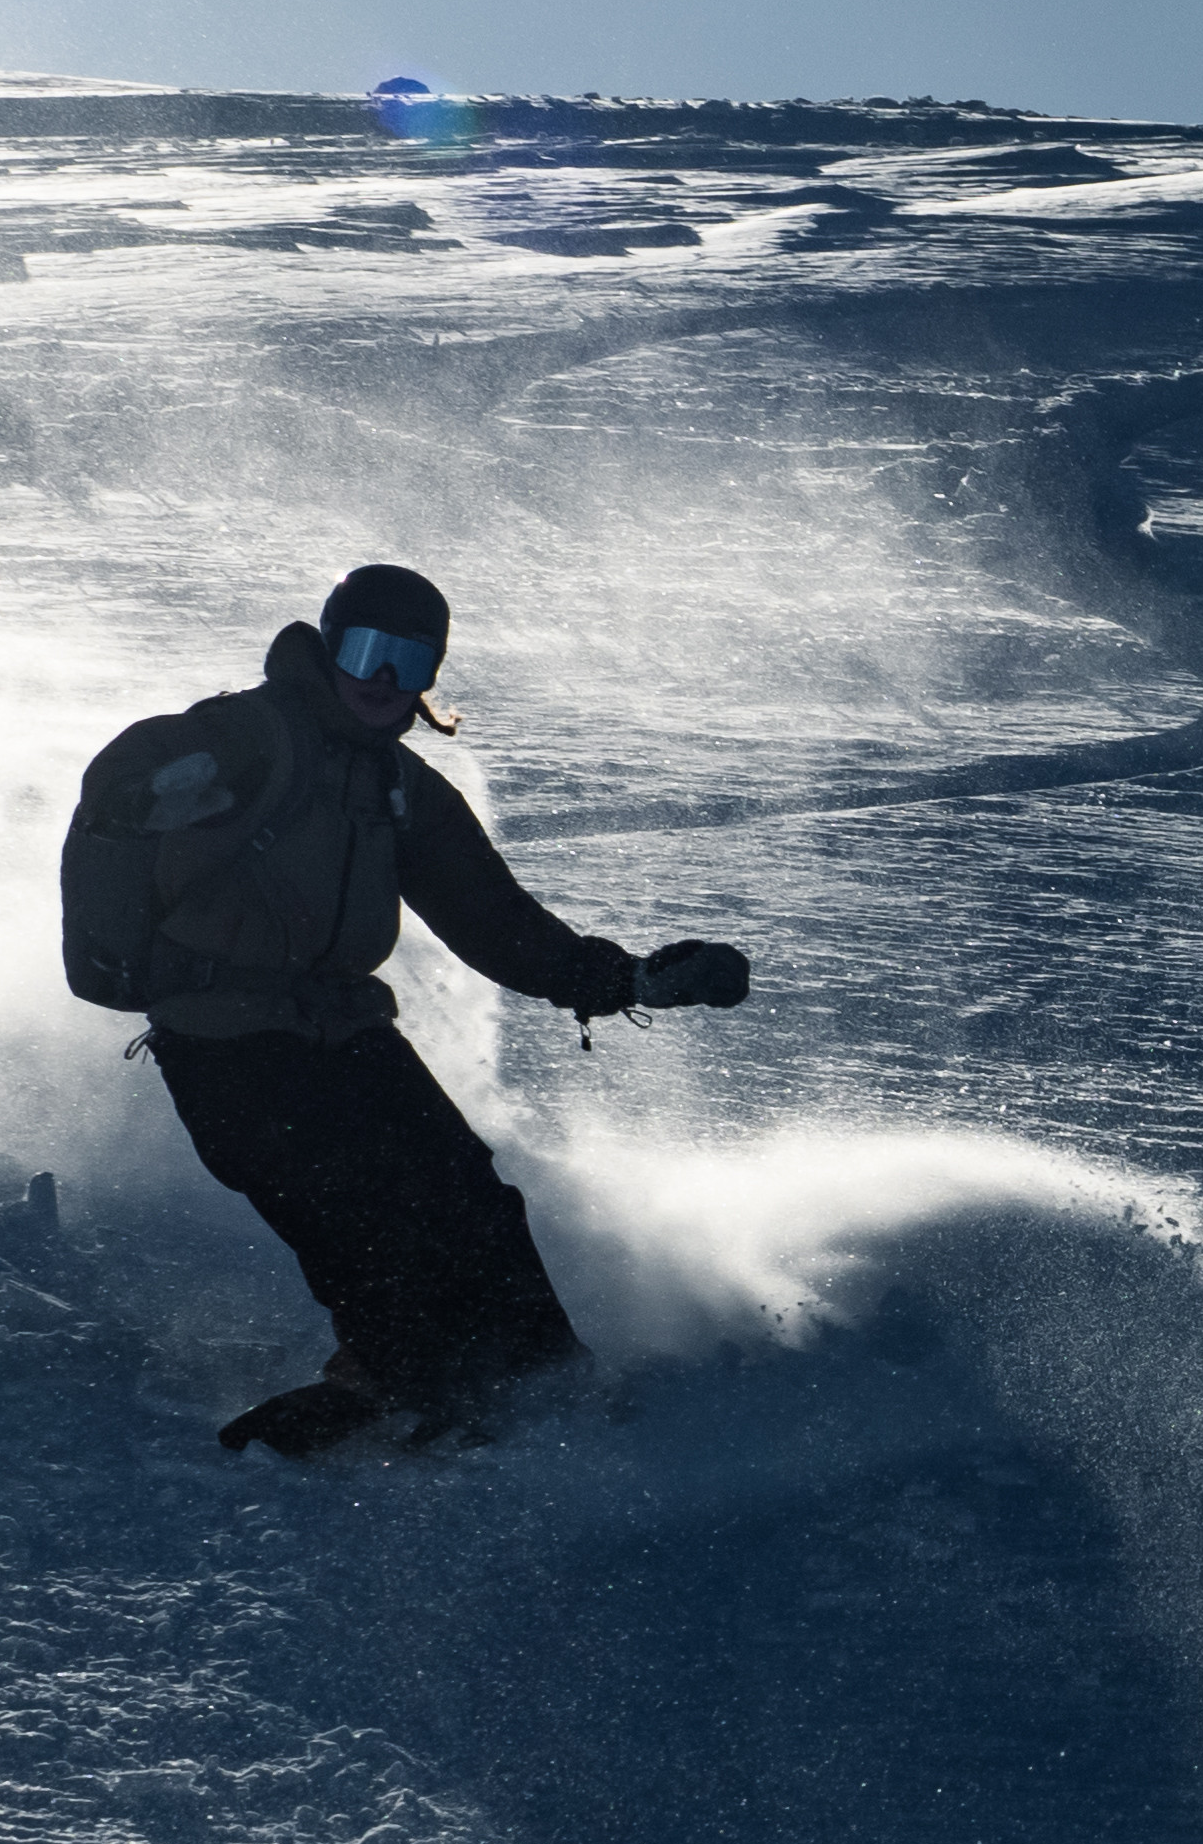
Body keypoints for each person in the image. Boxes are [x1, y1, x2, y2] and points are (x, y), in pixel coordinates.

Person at [60, 564, 752, 1454]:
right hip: (223, 1039)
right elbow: (139, 760)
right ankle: (397, 1383)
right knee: (352, 1207)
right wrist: (142, 787)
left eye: (411, 662)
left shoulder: (400, 789)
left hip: (344, 1024)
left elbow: (494, 921)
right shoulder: (248, 738)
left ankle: (544, 1379)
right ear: (329, 647)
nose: (385, 683)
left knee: (467, 1193)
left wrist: (629, 982)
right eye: (367, 653)